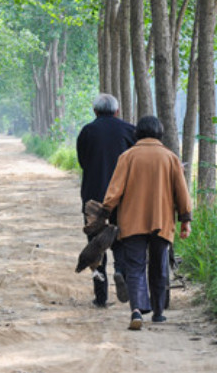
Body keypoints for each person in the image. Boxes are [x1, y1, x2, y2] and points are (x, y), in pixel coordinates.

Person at [101, 115, 192, 330]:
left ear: (137, 133)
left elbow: (114, 190)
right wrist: (185, 219)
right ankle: (158, 313)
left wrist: (106, 211)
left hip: (132, 221)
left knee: (135, 265)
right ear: (159, 133)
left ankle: (137, 310)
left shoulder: (127, 157)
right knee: (159, 265)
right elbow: (182, 192)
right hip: (162, 220)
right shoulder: (170, 158)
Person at [76, 94, 136, 308]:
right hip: (123, 197)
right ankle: (120, 272)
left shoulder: (87, 132)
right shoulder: (130, 131)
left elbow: (83, 162)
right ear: (117, 111)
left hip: (93, 198)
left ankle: (100, 296)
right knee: (120, 240)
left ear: (95, 112)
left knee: (95, 247)